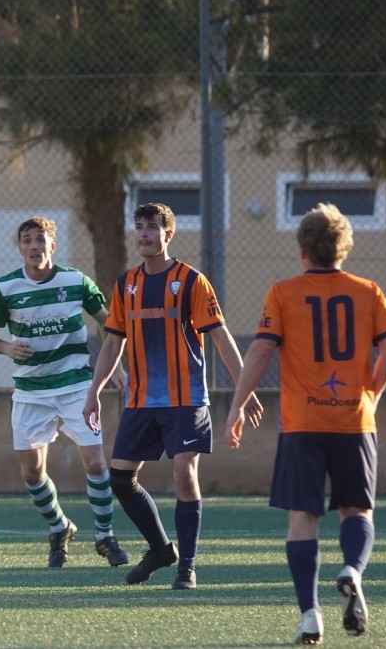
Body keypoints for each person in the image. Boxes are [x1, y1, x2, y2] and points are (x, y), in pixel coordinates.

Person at [224, 203, 386, 645]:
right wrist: (372, 393)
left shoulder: (282, 293)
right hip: (354, 420)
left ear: (301, 251)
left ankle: (310, 615)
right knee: (357, 511)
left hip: (302, 424)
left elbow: (260, 351)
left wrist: (237, 405)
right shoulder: (369, 292)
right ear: (344, 248)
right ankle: (352, 569)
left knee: (303, 518)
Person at [82, 202, 262, 590]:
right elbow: (112, 344)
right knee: (120, 478)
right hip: (141, 399)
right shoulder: (126, 284)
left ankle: (188, 567)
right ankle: (162, 550)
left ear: (169, 234)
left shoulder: (191, 280)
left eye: (152, 227)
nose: (144, 233)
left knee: (184, 473)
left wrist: (244, 389)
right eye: (139, 227)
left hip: (186, 399)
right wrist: (93, 391)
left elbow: (221, 337)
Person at [0, 217, 129, 568]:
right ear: (20, 248)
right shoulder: (5, 288)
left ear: (52, 246)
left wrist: (117, 366)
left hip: (76, 386)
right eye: (27, 240)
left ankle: (105, 536)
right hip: (31, 391)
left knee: (96, 462)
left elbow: (108, 323)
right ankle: (60, 527)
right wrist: (7, 347)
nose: (34, 246)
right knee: (31, 473)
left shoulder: (76, 282)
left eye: (40, 239)